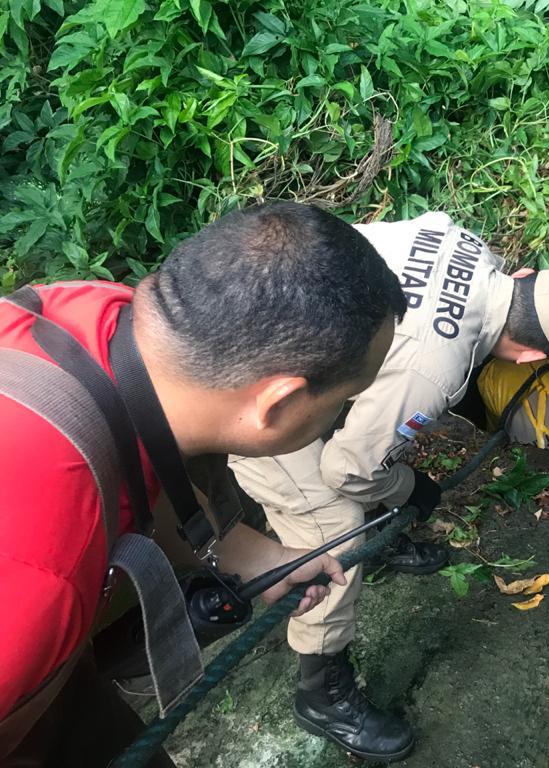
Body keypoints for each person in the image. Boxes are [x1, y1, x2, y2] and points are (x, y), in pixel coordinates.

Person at [0, 202, 407, 767]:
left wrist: (247, 553)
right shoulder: (42, 577)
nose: (347, 412)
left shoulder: (101, 322)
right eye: (345, 400)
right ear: (279, 402)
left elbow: (139, 464)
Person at [228, 211, 549, 762]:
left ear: (523, 276)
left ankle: (383, 544)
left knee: (361, 441)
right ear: (531, 357)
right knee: (333, 523)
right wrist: (411, 489)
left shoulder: (464, 239)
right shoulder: (438, 367)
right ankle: (320, 687)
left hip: (265, 314)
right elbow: (350, 470)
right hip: (243, 391)